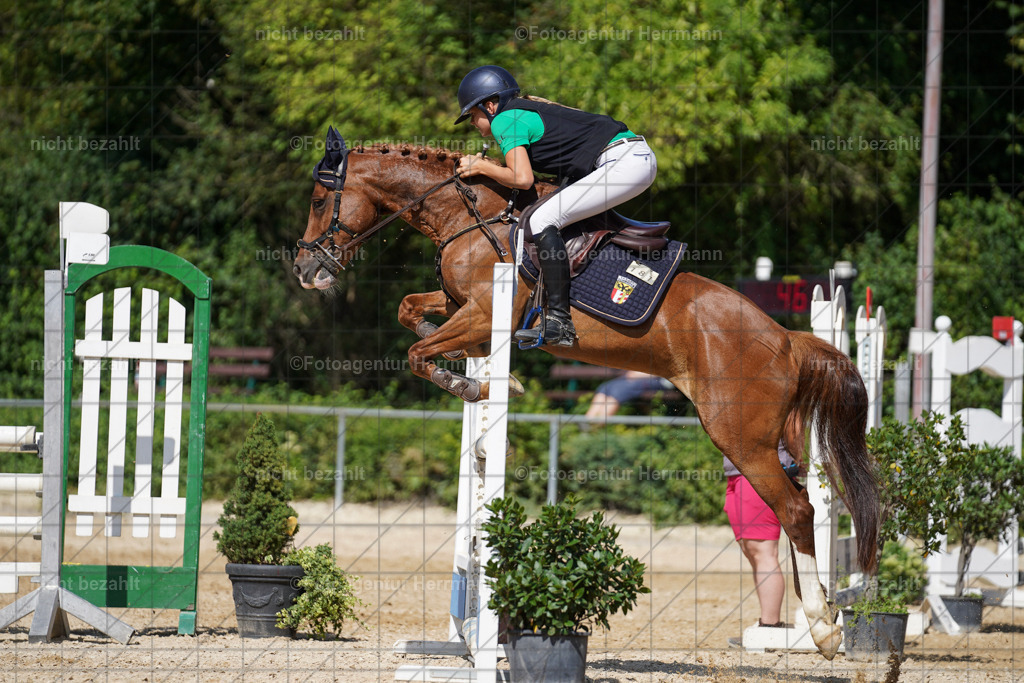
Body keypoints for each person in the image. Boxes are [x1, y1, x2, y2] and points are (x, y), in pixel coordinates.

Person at [453, 65, 658, 347]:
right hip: (630, 159)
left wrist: (480, 167)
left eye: (473, 115)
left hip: (624, 162)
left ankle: (560, 321)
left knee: (542, 221)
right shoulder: (520, 112)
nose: (473, 123)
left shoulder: (505, 119)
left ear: (490, 105)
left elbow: (522, 179)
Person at [723, 428, 802, 648]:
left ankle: (770, 627)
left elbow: (792, 423)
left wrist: (798, 459)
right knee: (753, 550)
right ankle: (769, 625)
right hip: (738, 472)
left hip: (759, 472)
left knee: (763, 552)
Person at [584, 371, 675, 420]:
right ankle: (588, 421)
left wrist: (635, 374)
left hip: (658, 380)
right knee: (605, 388)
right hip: (635, 377)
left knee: (619, 391)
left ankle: (597, 425)